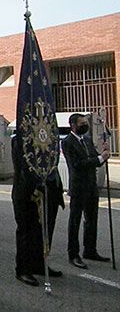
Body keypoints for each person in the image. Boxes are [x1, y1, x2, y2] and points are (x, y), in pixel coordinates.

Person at [12, 134, 64, 286]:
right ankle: (23, 269)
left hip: (49, 191)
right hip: (28, 193)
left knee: (44, 232)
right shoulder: (19, 139)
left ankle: (39, 264)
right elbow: (23, 166)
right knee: (26, 232)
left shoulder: (49, 136)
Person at [64, 113, 111, 269]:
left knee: (91, 220)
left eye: (85, 122)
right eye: (81, 123)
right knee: (75, 221)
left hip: (91, 187)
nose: (85, 125)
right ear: (73, 125)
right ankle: (73, 254)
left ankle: (90, 250)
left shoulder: (87, 140)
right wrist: (99, 159)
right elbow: (77, 164)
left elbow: (94, 159)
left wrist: (103, 156)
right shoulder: (68, 142)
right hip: (79, 188)